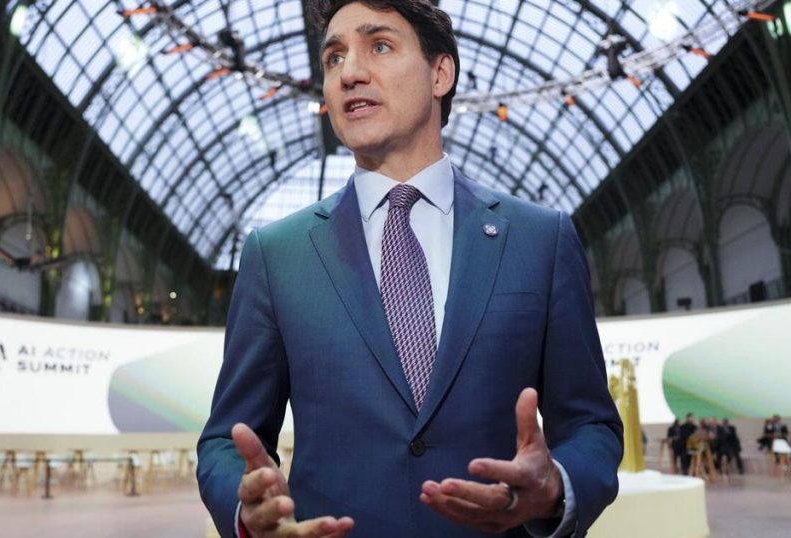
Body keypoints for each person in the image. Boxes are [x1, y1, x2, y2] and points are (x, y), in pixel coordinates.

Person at [195, 1, 623, 537]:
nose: (349, 72)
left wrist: (557, 484)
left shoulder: (541, 239)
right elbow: (225, 439)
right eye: (333, 58)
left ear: (440, 73)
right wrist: (247, 508)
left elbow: (591, 424)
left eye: (379, 46)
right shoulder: (276, 254)